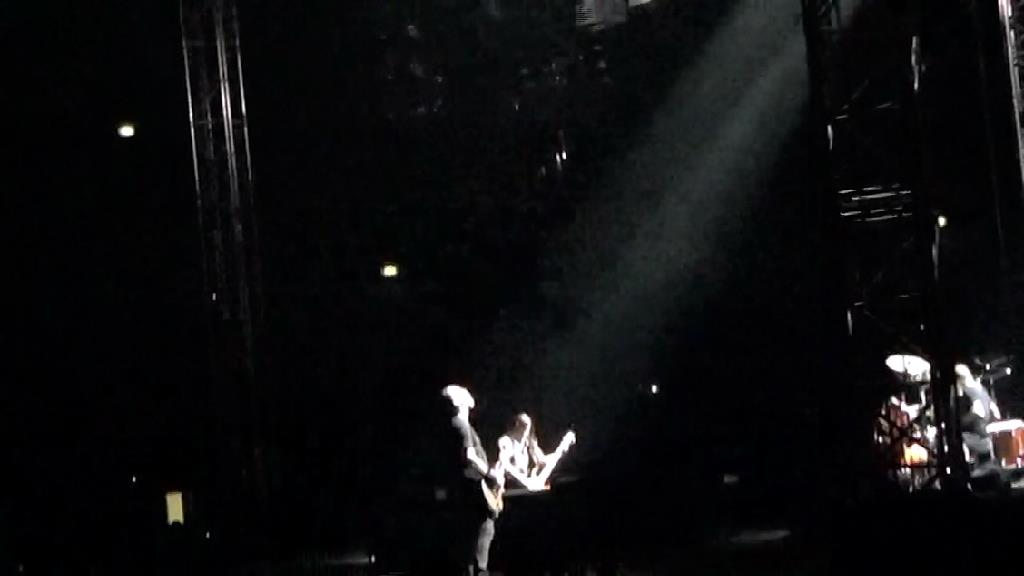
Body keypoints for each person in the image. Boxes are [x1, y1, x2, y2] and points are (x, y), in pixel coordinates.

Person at [441, 384, 499, 575]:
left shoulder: (453, 426)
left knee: (468, 557)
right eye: (464, 392)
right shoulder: (461, 425)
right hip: (474, 500)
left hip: (464, 499)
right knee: (478, 558)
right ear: (459, 402)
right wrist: (491, 474)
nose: (469, 393)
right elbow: (470, 458)